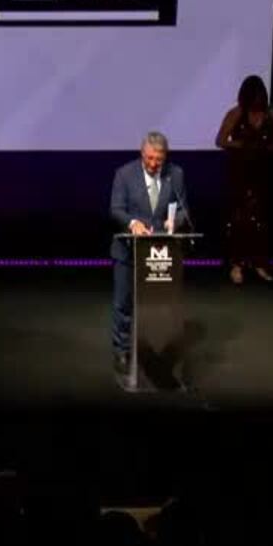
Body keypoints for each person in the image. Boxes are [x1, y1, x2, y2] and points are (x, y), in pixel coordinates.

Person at [109, 132, 191, 378]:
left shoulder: (176, 174)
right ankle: (122, 350)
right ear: (141, 154)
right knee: (124, 304)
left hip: (160, 253)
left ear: (165, 157)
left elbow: (184, 210)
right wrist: (132, 222)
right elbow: (115, 209)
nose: (153, 164)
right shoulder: (124, 174)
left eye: (158, 159)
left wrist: (175, 221)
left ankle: (157, 351)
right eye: (149, 158)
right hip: (128, 250)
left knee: (159, 306)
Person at [216, 75, 273, 284]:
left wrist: (263, 147)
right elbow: (220, 140)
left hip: (263, 171)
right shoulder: (236, 114)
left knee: (261, 219)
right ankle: (236, 264)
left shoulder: (271, 115)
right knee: (239, 218)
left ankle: (260, 263)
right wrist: (241, 144)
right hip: (240, 171)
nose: (257, 102)